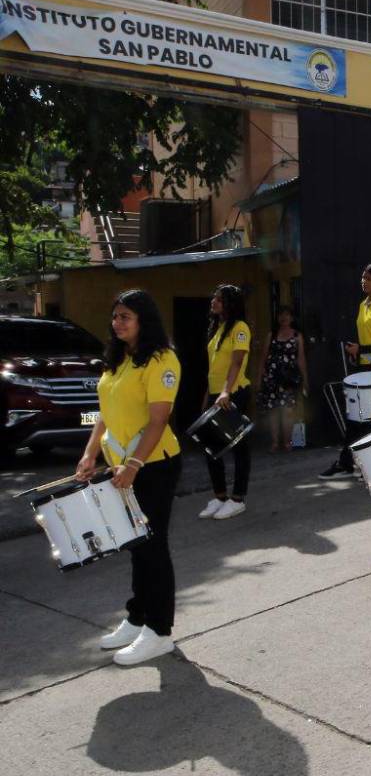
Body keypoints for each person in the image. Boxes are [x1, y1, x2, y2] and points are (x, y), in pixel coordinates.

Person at [76, 290, 183, 665]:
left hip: (152, 466)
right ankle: (138, 617)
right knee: (134, 544)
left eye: (125, 317)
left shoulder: (162, 358)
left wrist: (134, 464)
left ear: (144, 320)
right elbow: (102, 413)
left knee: (153, 547)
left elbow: (158, 419)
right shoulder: (117, 358)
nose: (117, 323)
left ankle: (160, 632)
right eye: (115, 316)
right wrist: (90, 453)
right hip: (120, 467)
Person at [320, 262, 371, 480]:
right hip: (364, 368)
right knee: (358, 417)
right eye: (363, 277)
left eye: (368, 278)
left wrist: (361, 348)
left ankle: (363, 463)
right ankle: (351, 462)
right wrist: (357, 352)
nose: (364, 281)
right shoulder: (364, 305)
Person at [198, 284, 251, 520]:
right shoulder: (217, 328)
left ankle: (238, 499)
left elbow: (237, 362)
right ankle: (220, 497)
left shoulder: (240, 328)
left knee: (239, 448)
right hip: (216, 394)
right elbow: (213, 369)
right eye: (214, 298)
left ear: (230, 303)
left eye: (219, 299)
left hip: (233, 393)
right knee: (211, 448)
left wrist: (226, 392)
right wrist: (208, 398)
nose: (214, 302)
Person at [256, 305, 307, 452]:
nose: (284, 318)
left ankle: (287, 442)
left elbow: (301, 358)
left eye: (287, 315)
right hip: (272, 378)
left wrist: (305, 379)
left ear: (292, 317)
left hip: (289, 379)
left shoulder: (297, 336)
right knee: (273, 411)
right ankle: (274, 442)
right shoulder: (271, 335)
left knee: (288, 411)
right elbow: (263, 358)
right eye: (281, 315)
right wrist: (260, 378)